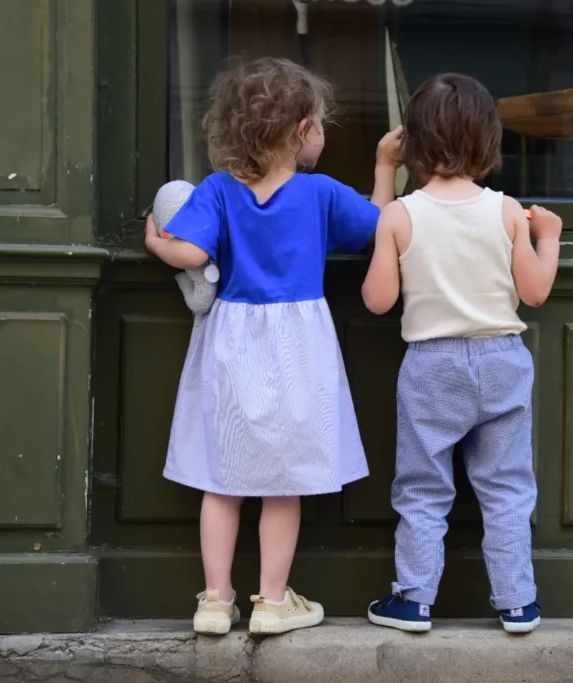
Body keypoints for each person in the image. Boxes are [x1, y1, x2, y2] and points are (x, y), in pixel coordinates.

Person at [144, 57, 402, 636]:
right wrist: (385, 166)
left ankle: (214, 601)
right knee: (283, 484)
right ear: (300, 132)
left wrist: (157, 242)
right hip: (298, 343)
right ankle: (272, 601)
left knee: (222, 475)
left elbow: (189, 254)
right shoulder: (321, 194)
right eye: (318, 123)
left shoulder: (216, 190)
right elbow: (384, 227)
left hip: (232, 337)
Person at [361, 73, 563, 634]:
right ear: (489, 141)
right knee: (506, 486)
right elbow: (536, 292)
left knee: (423, 487)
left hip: (431, 366)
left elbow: (378, 301)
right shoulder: (506, 211)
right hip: (501, 358)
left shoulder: (401, 215)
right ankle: (518, 602)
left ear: (414, 144)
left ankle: (415, 599)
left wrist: (384, 177)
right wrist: (548, 237)